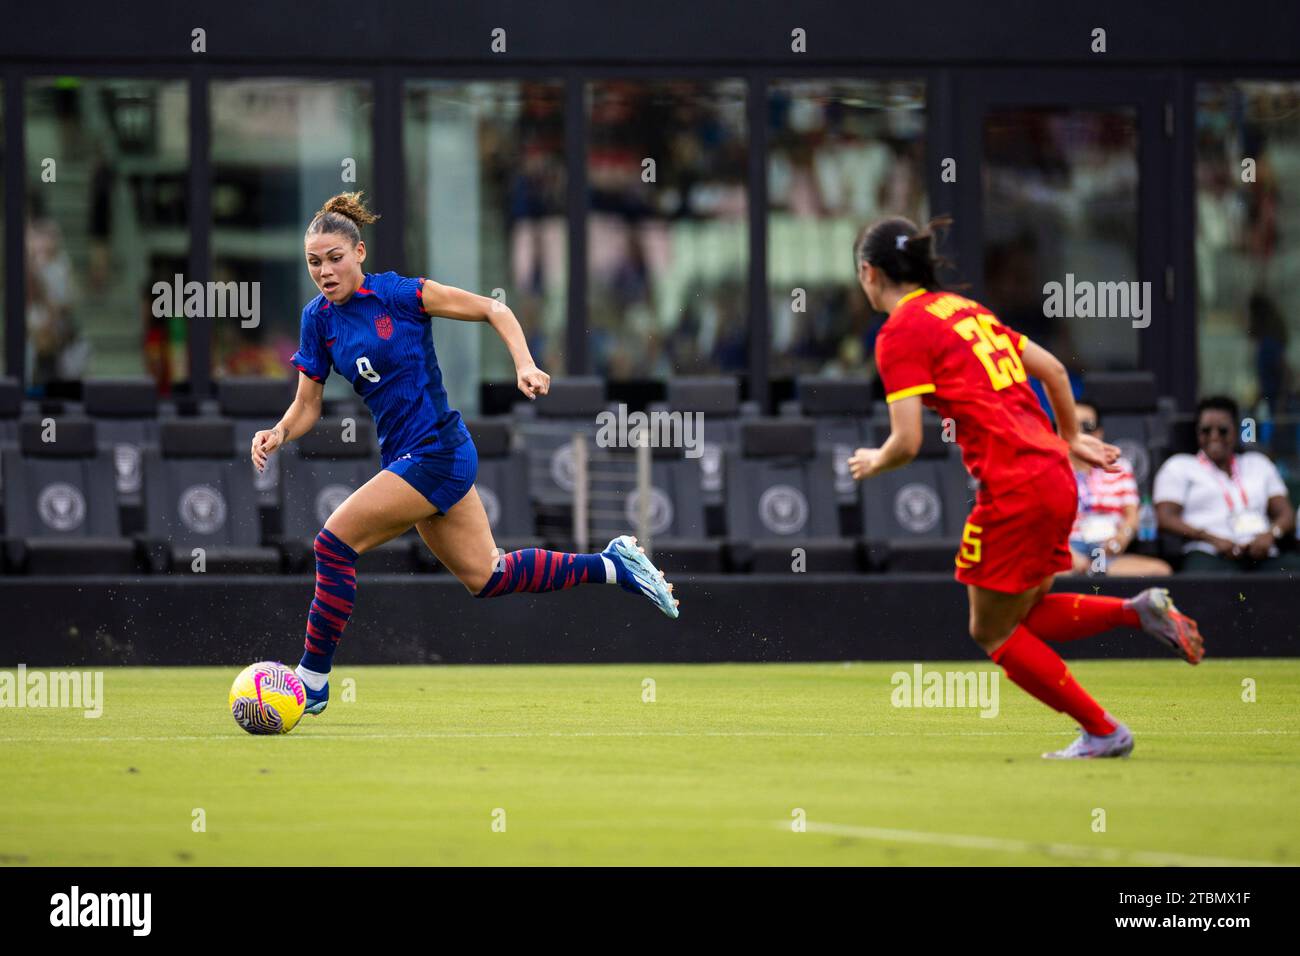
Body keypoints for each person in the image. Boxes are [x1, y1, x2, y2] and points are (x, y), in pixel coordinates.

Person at [250, 192, 679, 716]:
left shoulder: (402, 295)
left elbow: (493, 308)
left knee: (334, 546)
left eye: (335, 257)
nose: (324, 270)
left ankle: (311, 683)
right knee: (488, 577)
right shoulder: (317, 320)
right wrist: (278, 432)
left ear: (359, 252)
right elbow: (306, 404)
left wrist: (524, 364)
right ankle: (613, 566)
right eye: (314, 261)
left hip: (438, 453)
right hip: (410, 460)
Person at [848, 216, 1204, 760]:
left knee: (990, 632)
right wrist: (1070, 437)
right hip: (1054, 476)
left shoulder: (899, 332)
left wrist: (875, 461)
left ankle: (1104, 730)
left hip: (1013, 485)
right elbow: (1056, 371)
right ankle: (1137, 611)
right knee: (1024, 611)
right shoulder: (967, 311)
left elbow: (907, 441)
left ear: (869, 273)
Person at [1153, 395, 1296, 573]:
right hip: (1209, 552)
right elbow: (1165, 518)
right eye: (1206, 430)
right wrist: (1210, 538)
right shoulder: (1180, 466)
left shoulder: (1258, 463)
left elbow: (1286, 514)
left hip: (1261, 552)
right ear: (1197, 433)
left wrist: (1270, 534)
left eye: (1222, 430)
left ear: (1236, 432)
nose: (1214, 437)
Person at [1065, 400, 1171, 577]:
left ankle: (1096, 571)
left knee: (1160, 571)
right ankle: (1091, 572)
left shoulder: (1120, 467)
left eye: (1087, 426)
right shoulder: (1052, 468)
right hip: (1068, 550)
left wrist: (1121, 538)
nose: (1080, 433)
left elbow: (1132, 515)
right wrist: (1069, 554)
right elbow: (1042, 524)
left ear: (1099, 433)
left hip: (1107, 550)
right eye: (1072, 426)